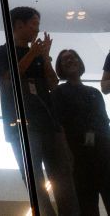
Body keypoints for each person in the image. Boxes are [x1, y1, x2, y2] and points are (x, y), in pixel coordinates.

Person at [0, 7, 77, 216]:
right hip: (21, 125)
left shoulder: (39, 54)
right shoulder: (0, 52)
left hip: (50, 123)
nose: (37, 30)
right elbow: (8, 79)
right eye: (34, 25)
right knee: (34, 180)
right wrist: (32, 53)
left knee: (64, 178)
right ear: (18, 25)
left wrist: (46, 58)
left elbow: (53, 83)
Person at [53, 49, 110, 216]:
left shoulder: (95, 93)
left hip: (103, 153)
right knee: (87, 206)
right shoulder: (59, 92)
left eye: (73, 57)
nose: (70, 61)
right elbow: (59, 126)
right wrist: (67, 154)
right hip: (79, 156)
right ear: (60, 67)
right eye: (65, 60)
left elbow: (104, 123)